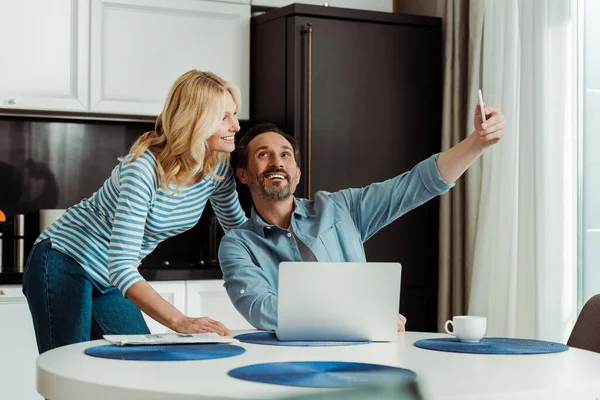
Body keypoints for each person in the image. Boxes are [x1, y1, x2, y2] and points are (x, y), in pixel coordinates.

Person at [219, 104, 505, 332]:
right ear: (243, 174)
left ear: (297, 173)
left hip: (362, 357)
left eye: (285, 155)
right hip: (286, 364)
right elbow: (262, 310)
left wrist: (476, 143)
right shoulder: (238, 245)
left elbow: (415, 185)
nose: (277, 162)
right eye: (263, 155)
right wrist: (363, 316)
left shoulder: (341, 209)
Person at [22, 70, 247, 354]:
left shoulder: (217, 168)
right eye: (224, 117)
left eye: (234, 114)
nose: (236, 126)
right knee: (70, 365)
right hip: (64, 259)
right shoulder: (142, 169)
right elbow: (122, 265)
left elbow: (239, 233)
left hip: (110, 275)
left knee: (138, 361)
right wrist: (180, 321)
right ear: (195, 120)